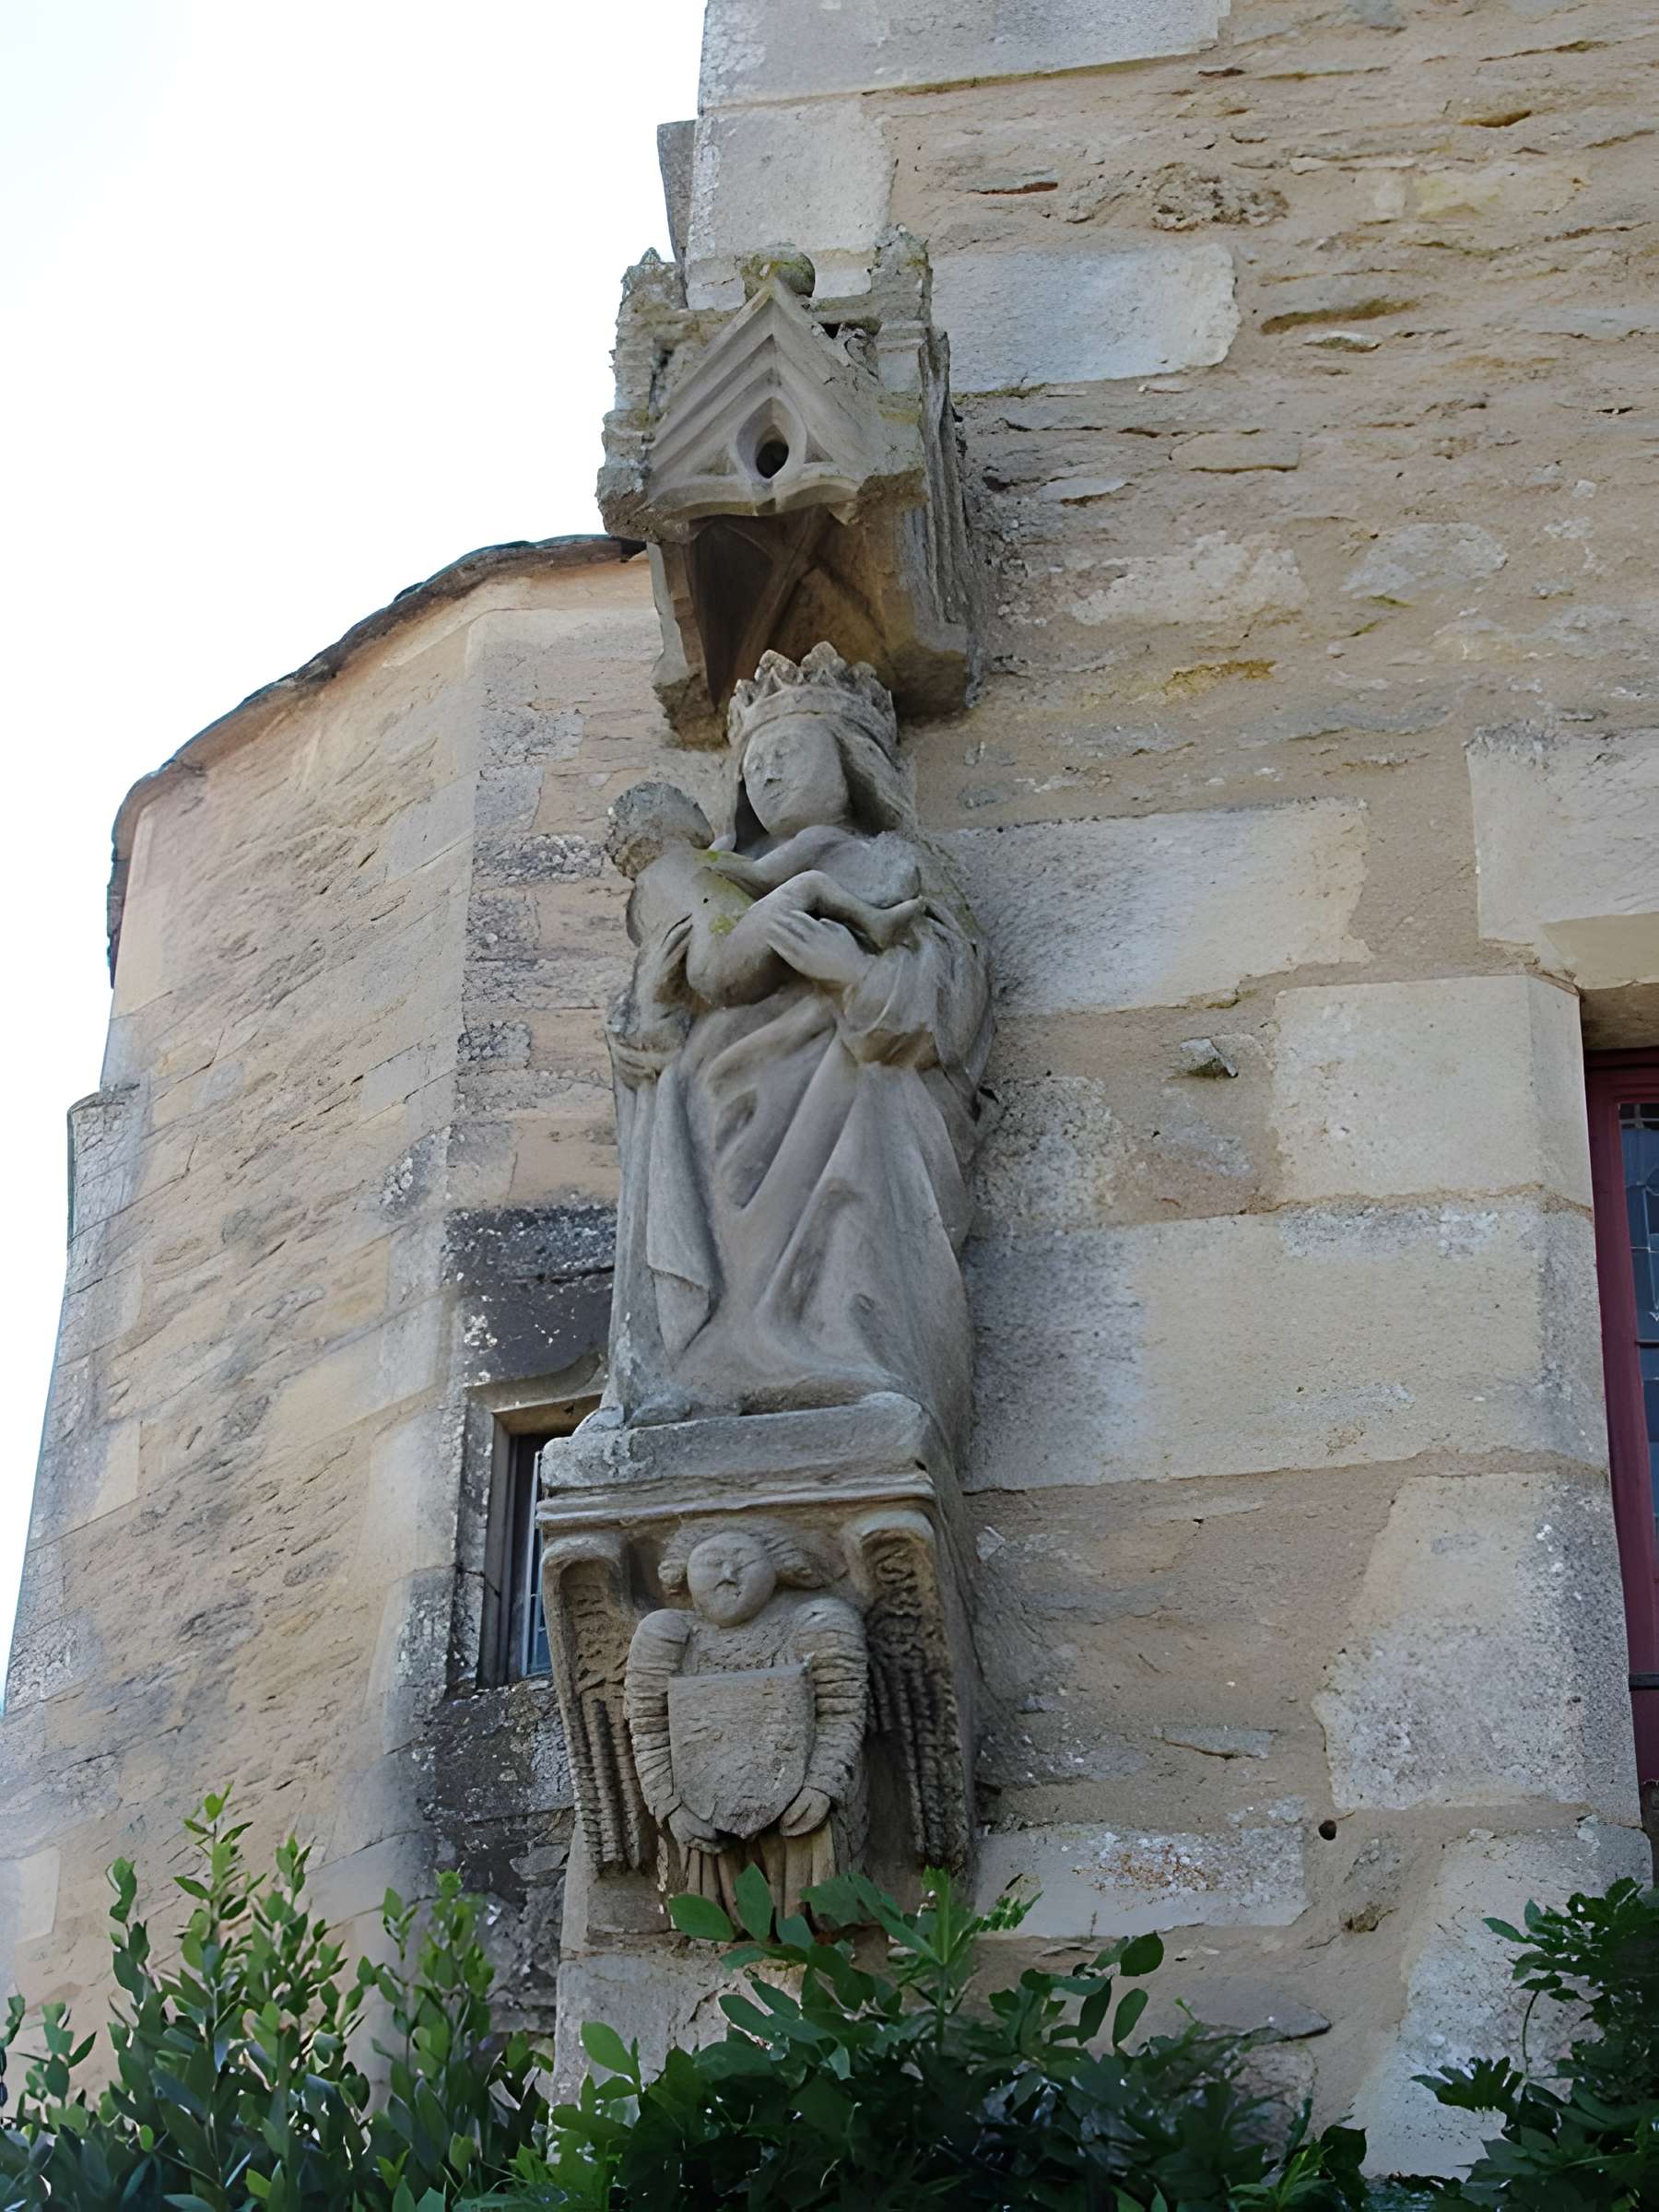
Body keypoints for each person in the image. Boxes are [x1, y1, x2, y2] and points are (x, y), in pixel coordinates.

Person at [601, 643, 994, 1452]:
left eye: (791, 752)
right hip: (713, 1111)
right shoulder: (711, 884)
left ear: (849, 764)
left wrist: (851, 971)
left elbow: (944, 1002)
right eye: (756, 763)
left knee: (852, 1225)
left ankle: (854, 1364)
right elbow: (650, 1030)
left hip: (851, 1101)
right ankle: (702, 1374)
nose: (770, 775)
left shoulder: (895, 863)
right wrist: (647, 1014)